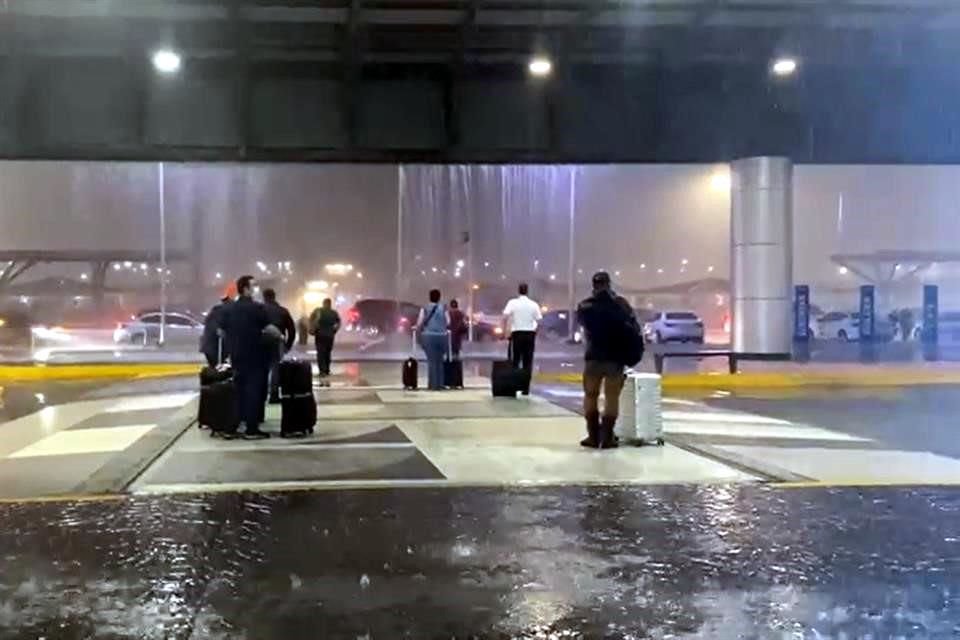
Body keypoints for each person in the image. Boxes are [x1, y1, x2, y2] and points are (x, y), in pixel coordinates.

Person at [576, 271, 640, 449]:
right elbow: (633, 328)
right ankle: (607, 438)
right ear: (609, 284)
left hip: (593, 358)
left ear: (593, 285)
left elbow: (582, 326)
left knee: (590, 395)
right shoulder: (621, 305)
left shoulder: (585, 306)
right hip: (615, 359)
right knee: (612, 398)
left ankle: (593, 436)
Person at [221, 275, 271, 440]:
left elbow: (221, 331)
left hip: (236, 356)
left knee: (238, 391)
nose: (256, 289)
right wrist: (280, 337)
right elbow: (269, 328)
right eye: (254, 286)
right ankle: (251, 429)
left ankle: (231, 427)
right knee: (253, 392)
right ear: (245, 289)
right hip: (254, 356)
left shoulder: (230, 308)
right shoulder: (256, 308)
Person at [501, 282, 542, 395]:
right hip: (530, 334)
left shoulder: (512, 303)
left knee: (515, 360)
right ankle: (525, 388)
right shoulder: (534, 304)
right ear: (527, 291)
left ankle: (514, 386)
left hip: (517, 333)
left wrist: (505, 332)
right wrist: (535, 331)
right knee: (527, 362)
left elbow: (505, 317)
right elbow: (539, 320)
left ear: (518, 291)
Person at [263, 288, 297, 403]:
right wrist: (288, 345)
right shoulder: (282, 311)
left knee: (262, 368)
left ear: (264, 297)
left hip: (261, 342)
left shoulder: (259, 310)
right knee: (276, 367)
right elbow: (292, 330)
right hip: (277, 342)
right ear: (274, 297)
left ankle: (261, 394)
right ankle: (274, 394)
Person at [417, 289, 450, 391]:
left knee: (431, 361)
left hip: (429, 336)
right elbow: (448, 321)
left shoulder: (425, 308)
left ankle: (432, 385)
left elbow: (420, 322)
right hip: (442, 336)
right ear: (439, 298)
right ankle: (440, 384)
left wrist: (419, 328)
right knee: (440, 361)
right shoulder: (444, 308)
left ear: (429, 297)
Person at [309, 298, 341, 385]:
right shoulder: (334, 313)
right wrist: (334, 330)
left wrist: (313, 328)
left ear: (323, 303)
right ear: (330, 304)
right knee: (328, 352)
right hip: (330, 336)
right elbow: (338, 323)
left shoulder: (318, 311)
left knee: (320, 353)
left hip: (320, 335)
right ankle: (327, 369)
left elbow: (311, 318)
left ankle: (322, 371)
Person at [200, 290, 233, 367]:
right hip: (216, 348)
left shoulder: (216, 310)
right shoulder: (225, 312)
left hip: (209, 346)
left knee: (216, 368)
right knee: (220, 368)